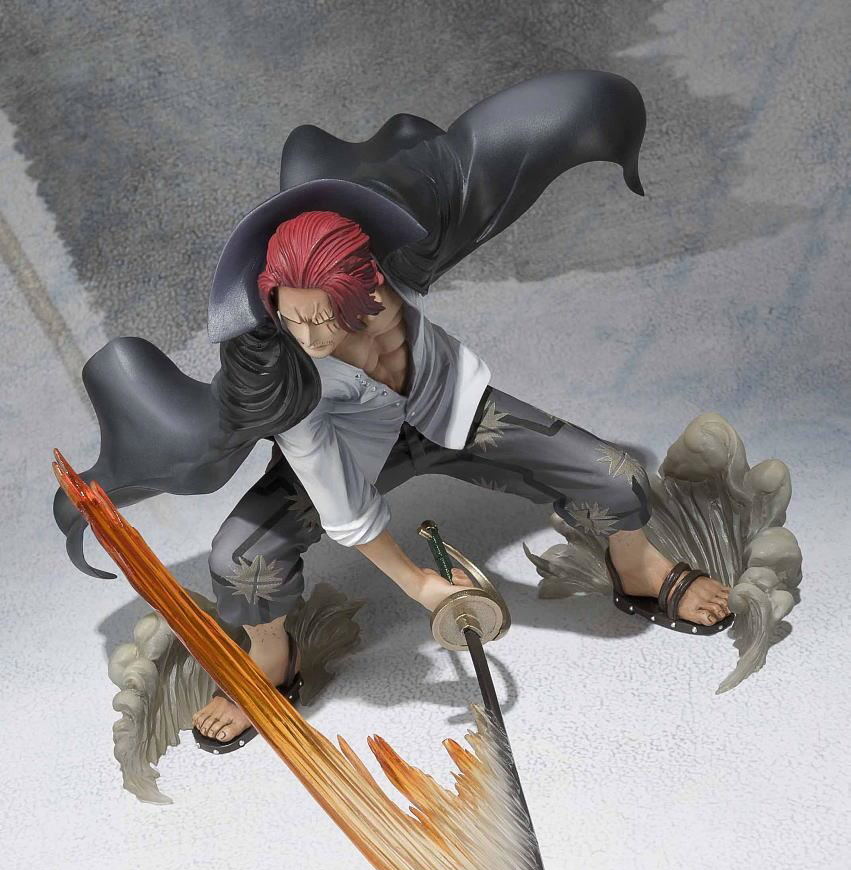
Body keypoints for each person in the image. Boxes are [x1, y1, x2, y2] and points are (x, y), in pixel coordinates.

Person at [53, 70, 732, 753]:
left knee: (613, 472)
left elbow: (480, 171)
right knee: (240, 559)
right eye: (291, 319)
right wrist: (419, 585)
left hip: (453, 414)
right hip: (351, 453)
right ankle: (272, 658)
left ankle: (637, 570)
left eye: (321, 319)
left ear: (368, 285)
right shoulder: (285, 372)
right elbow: (342, 501)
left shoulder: (398, 266)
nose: (308, 337)